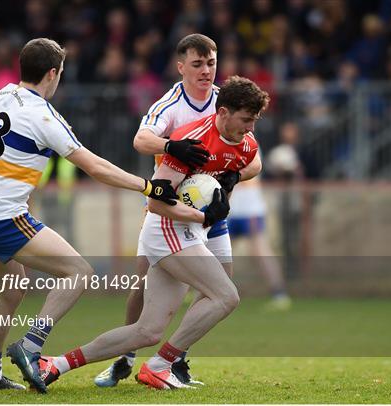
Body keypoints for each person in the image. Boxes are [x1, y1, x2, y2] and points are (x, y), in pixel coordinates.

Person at [0, 38, 178, 393]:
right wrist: (147, 186)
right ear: (52, 73)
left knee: (12, 291)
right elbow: (95, 167)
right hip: (2, 218)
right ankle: (30, 347)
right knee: (78, 272)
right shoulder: (44, 115)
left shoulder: (1, 95)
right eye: (61, 71)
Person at [36, 75, 270, 390]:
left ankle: (55, 364)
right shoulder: (194, 140)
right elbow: (156, 203)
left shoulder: (246, 144)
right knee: (226, 296)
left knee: (147, 331)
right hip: (166, 229)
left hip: (188, 232)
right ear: (224, 112)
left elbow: (246, 166)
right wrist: (201, 214)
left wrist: (231, 181)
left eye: (255, 121)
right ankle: (161, 365)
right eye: (246, 120)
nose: (250, 128)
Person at [93, 33, 263, 387]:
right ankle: (123, 360)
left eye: (211, 63)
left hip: (210, 213)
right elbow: (140, 140)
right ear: (181, 66)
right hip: (169, 209)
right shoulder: (170, 104)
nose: (206, 71)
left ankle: (176, 360)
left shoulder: (227, 103)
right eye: (198, 64)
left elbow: (254, 160)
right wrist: (174, 145)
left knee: (218, 286)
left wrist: (231, 175)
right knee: (142, 288)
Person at [228, 177, 291, 310]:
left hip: (249, 211)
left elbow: (245, 177)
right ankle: (204, 291)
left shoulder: (250, 156)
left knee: (260, 251)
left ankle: (279, 293)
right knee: (219, 251)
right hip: (230, 211)